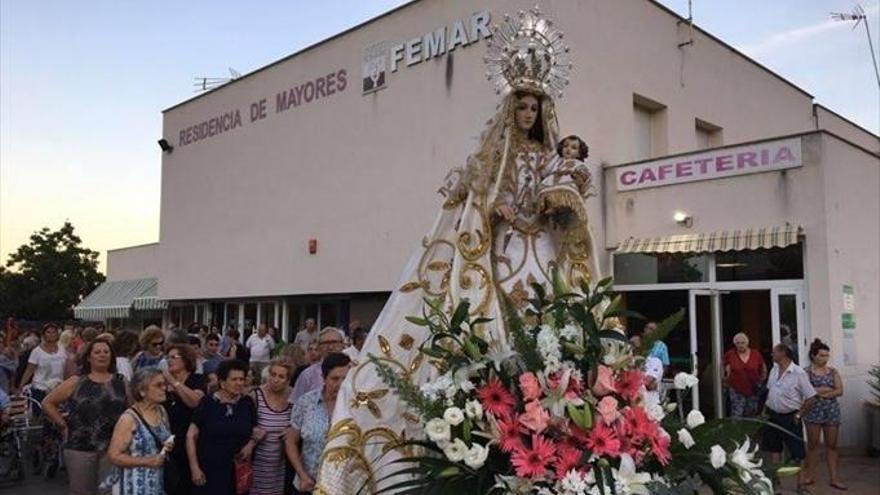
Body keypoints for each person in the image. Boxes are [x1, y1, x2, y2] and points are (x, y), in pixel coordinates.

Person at [42, 337, 128, 495]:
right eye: (97, 352)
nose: (102, 355)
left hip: (112, 447)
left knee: (110, 491)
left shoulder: (121, 382)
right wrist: (62, 424)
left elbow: (131, 410)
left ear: (111, 356)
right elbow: (48, 403)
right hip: (79, 446)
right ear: (89, 357)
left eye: (106, 352)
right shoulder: (76, 382)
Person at [186, 359, 264, 495]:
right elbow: (191, 435)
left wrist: (250, 445)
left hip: (238, 472)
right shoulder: (208, 403)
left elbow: (256, 431)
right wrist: (194, 468)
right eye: (234, 379)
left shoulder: (247, 403)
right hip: (209, 471)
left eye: (242, 379)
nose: (239, 383)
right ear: (222, 382)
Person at [286, 352, 351, 494]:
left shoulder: (357, 407)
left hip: (343, 487)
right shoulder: (306, 402)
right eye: (334, 379)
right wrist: (302, 475)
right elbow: (290, 441)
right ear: (324, 378)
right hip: (308, 484)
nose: (340, 384)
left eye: (345, 379)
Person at [107, 368, 174, 495]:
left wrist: (167, 445)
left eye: (164, 384)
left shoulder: (161, 411)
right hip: (133, 487)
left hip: (157, 485)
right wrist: (147, 461)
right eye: (158, 385)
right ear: (142, 391)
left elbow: (163, 439)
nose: (164, 388)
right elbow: (113, 456)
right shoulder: (129, 419)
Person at [764, 343, 816, 489]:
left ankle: (800, 484)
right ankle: (775, 482)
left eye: (774, 352)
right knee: (774, 449)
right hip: (773, 414)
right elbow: (770, 391)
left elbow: (811, 397)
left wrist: (799, 414)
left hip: (790, 416)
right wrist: (764, 412)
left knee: (797, 451)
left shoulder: (798, 373)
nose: (771, 354)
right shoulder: (774, 370)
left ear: (783, 354)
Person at [162, 343, 206, 495]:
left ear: (186, 360)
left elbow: (195, 402)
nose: (169, 361)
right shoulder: (161, 383)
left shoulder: (197, 380)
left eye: (174, 357)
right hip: (167, 443)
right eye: (168, 357)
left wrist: (174, 382)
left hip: (190, 442)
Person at [802, 339, 846, 490]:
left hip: (831, 411)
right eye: (822, 355)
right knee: (813, 445)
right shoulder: (806, 372)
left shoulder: (833, 371)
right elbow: (807, 391)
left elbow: (840, 390)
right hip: (813, 411)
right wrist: (827, 389)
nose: (825, 358)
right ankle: (809, 476)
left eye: (827, 355)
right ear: (814, 356)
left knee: (832, 445)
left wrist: (822, 392)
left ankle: (834, 478)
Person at [250, 359, 294, 495]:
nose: (275, 379)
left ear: (288, 380)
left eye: (281, 376)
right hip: (256, 461)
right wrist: (253, 431)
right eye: (273, 374)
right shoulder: (255, 395)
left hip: (280, 464)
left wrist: (291, 430)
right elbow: (244, 424)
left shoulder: (293, 397)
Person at [291, 327, 345, 402]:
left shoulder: (353, 372)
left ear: (343, 344)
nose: (330, 347)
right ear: (319, 347)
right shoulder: (307, 375)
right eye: (326, 343)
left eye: (334, 342)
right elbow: (296, 404)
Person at [723, 332, 768, 418]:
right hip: (736, 389)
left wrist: (761, 381)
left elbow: (763, 368)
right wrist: (725, 380)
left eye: (743, 343)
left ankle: (749, 432)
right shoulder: (730, 354)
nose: (740, 345)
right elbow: (725, 369)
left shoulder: (755, 354)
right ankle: (737, 431)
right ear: (735, 344)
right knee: (737, 413)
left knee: (751, 413)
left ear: (747, 343)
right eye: (738, 343)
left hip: (753, 388)